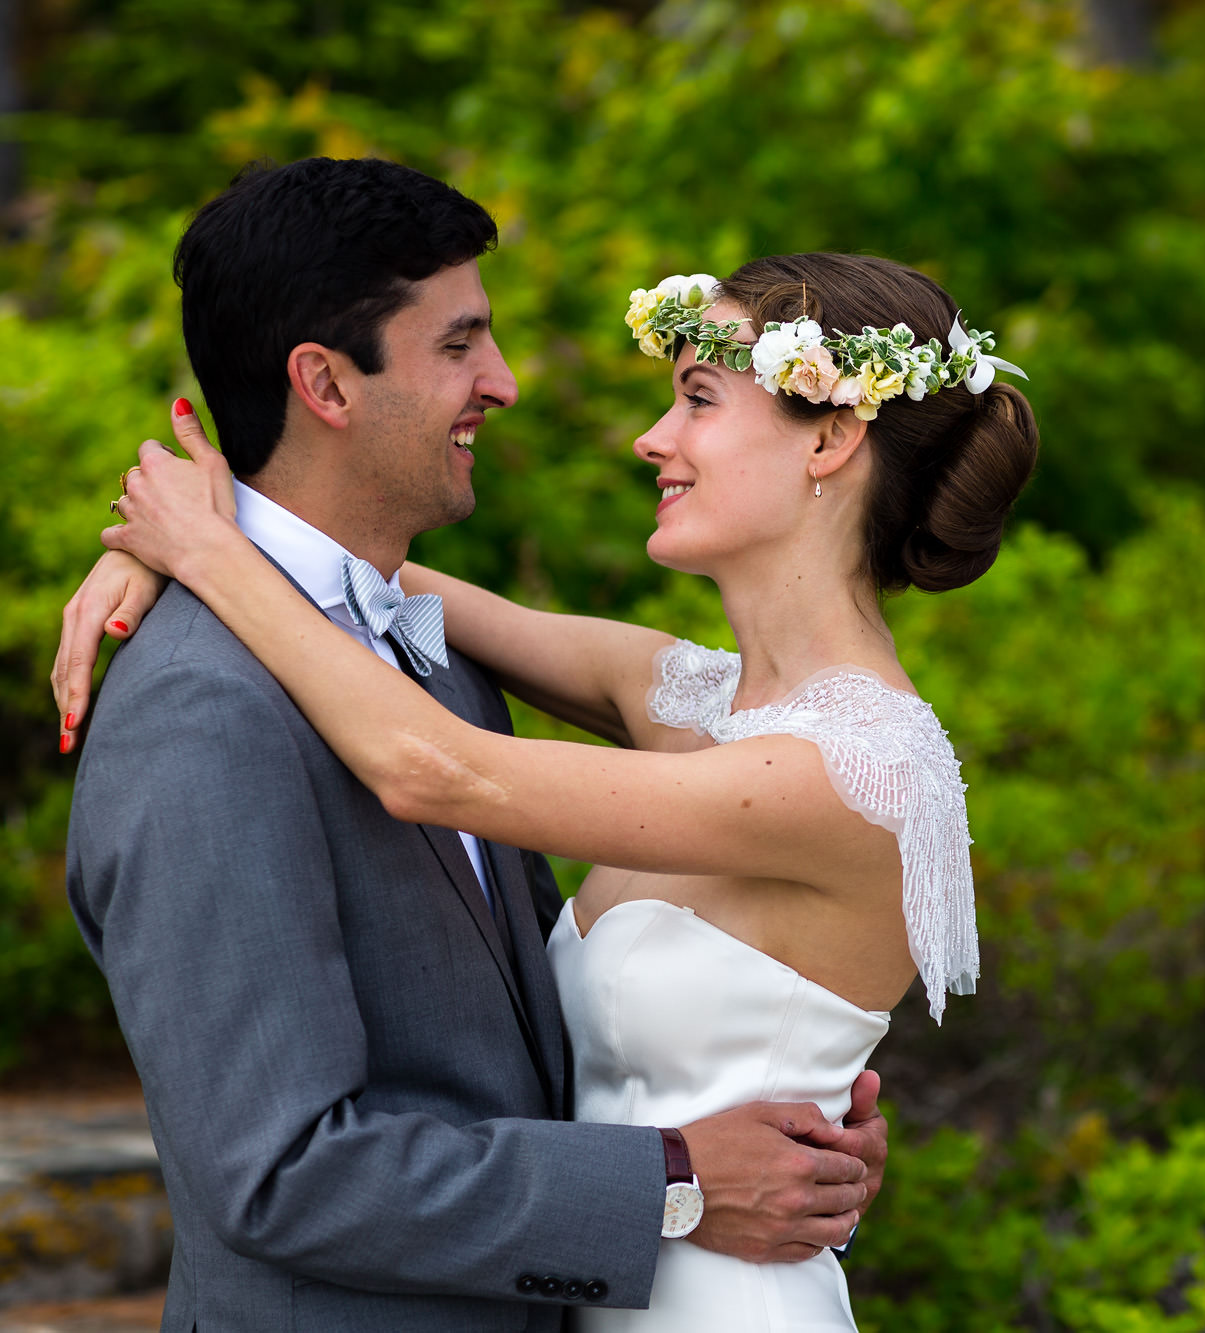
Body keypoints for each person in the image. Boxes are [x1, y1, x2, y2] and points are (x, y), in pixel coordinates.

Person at [56, 176, 1039, 1327]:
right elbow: (369, 578)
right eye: (463, 342)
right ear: (323, 382)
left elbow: (428, 766)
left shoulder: (850, 769)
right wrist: (188, 537)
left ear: (830, 435)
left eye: (699, 400)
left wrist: (214, 552)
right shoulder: (684, 699)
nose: (650, 436)